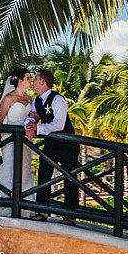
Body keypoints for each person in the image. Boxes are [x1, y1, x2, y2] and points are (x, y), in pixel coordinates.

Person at [26, 68, 79, 223]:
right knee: (44, 175)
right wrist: (29, 124)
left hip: (67, 144)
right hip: (51, 143)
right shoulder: (37, 101)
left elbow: (59, 124)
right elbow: (34, 117)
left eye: (35, 79)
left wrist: (38, 129)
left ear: (42, 82)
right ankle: (42, 212)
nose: (33, 82)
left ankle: (70, 216)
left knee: (69, 178)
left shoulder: (58, 99)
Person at [0, 68, 35, 214]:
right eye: (28, 78)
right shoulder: (8, 99)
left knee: (25, 169)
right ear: (20, 81)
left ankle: (23, 205)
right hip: (10, 140)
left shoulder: (29, 99)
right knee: (11, 168)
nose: (30, 80)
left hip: (26, 140)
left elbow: (32, 117)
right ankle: (4, 204)